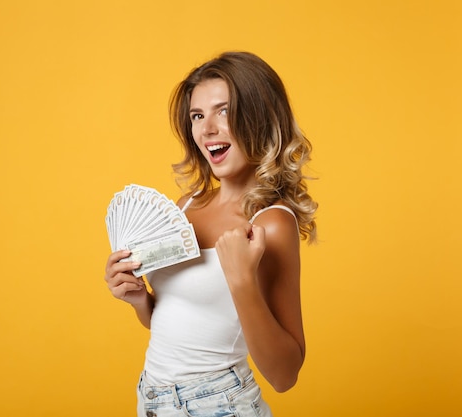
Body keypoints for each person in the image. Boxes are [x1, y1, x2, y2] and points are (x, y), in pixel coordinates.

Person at [104, 51, 318, 417]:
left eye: (224, 111)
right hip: (153, 401)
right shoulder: (186, 206)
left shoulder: (270, 223)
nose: (207, 129)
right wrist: (140, 299)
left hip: (219, 405)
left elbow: (285, 375)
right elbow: (180, 321)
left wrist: (242, 282)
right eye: (197, 116)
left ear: (260, 118)